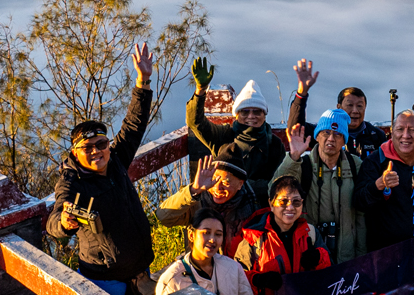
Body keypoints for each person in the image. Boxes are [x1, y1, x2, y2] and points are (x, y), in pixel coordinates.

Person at [47, 43, 155, 295]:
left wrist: (142, 82)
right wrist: (64, 223)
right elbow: (55, 222)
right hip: (104, 277)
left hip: (137, 271)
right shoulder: (71, 181)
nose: (96, 152)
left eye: (101, 145)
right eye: (87, 148)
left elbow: (134, 125)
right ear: (75, 153)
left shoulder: (116, 160)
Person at [271, 107, 367, 263]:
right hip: (310, 253)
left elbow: (361, 215)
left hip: (347, 256)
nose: (331, 139)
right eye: (326, 133)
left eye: (337, 134)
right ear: (317, 136)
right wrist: (293, 158)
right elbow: (273, 191)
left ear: (344, 140)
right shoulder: (303, 164)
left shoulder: (355, 165)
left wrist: (362, 257)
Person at [186, 57, 285, 205]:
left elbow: (278, 181)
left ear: (265, 115)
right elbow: (196, 123)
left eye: (257, 111)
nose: (251, 116)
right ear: (236, 115)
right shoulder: (223, 136)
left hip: (261, 208)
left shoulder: (274, 144)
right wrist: (200, 91)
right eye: (245, 112)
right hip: (224, 202)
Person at [354, 109, 414, 251]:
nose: (406, 135)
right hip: (385, 254)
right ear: (392, 132)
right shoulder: (376, 161)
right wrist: (377, 185)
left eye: (412, 130)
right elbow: (358, 203)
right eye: (400, 129)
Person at [157, 144, 257, 257]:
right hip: (200, 267)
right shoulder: (197, 202)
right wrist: (194, 190)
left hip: (236, 269)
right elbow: (163, 217)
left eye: (226, 183)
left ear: (240, 185)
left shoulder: (250, 207)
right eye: (214, 180)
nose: (217, 188)